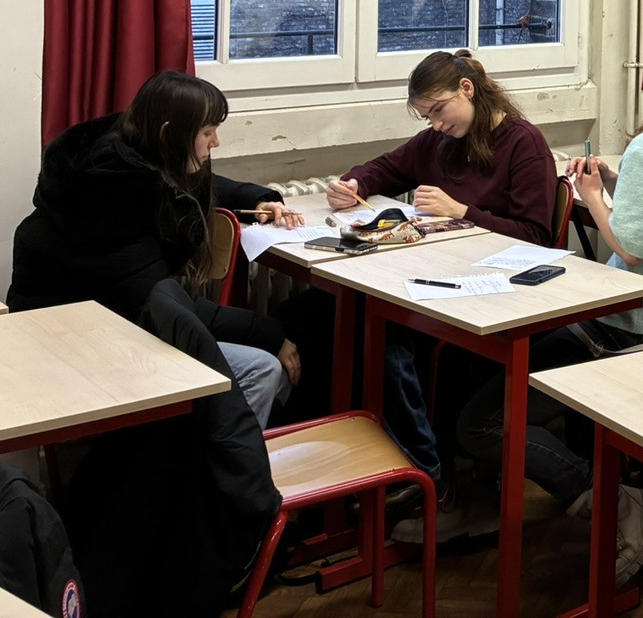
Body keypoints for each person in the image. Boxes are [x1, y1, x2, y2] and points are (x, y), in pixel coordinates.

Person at [448, 44, 643, 575]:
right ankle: (619, 497)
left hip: (631, 323)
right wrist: (615, 184)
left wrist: (591, 195)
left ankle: (607, 498)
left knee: (482, 423)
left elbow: (631, 247)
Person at [8, 71, 302, 428]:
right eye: (207, 133)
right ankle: (213, 478)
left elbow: (183, 183)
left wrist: (257, 198)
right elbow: (167, 306)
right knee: (262, 369)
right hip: (76, 350)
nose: (216, 143)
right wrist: (271, 333)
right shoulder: (107, 206)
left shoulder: (113, 162)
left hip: (92, 328)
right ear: (168, 134)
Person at [330, 49, 558, 488]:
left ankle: (423, 470)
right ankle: (387, 461)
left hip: (497, 289)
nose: (435, 124)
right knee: (352, 317)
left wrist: (462, 210)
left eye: (439, 110)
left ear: (467, 89)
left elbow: (536, 237)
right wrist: (354, 183)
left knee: (389, 334)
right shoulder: (440, 142)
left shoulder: (522, 143)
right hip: (447, 274)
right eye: (426, 117)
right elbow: (387, 166)